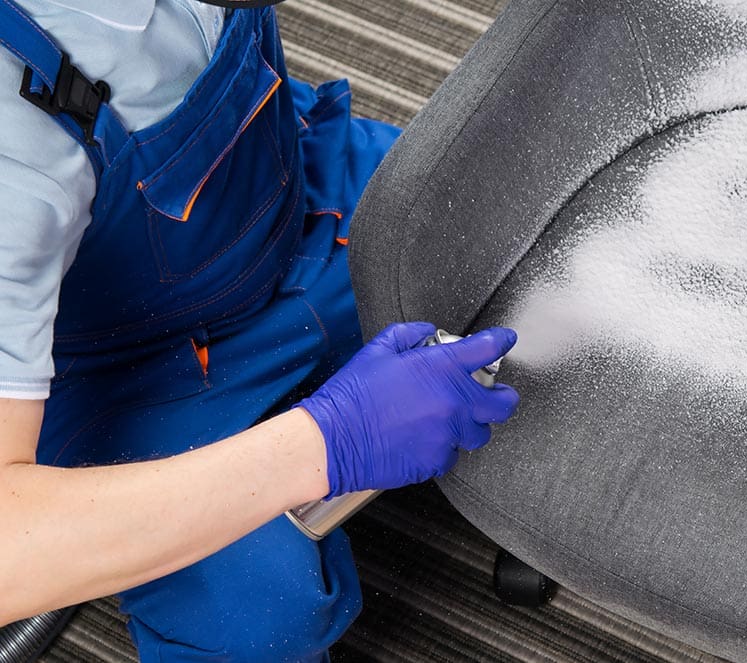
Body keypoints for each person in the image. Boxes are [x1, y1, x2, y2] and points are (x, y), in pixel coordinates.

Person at [0, 0, 519, 660]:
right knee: (258, 614)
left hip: (293, 201)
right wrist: (326, 443)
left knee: (536, 242)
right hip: (122, 375)